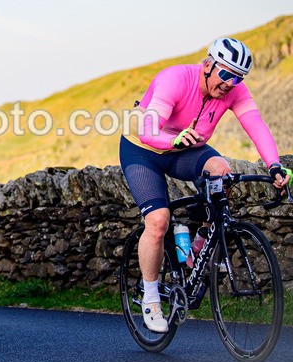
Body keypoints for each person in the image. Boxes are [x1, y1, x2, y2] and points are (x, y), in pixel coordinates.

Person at [120, 37, 292, 333]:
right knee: (159, 221)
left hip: (185, 149)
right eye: (225, 74)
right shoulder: (174, 79)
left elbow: (256, 125)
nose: (230, 83)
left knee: (221, 171)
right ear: (208, 65)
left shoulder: (234, 90)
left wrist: (273, 164)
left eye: (238, 78)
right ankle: (150, 298)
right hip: (144, 151)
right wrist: (171, 140)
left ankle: (200, 242)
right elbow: (148, 130)